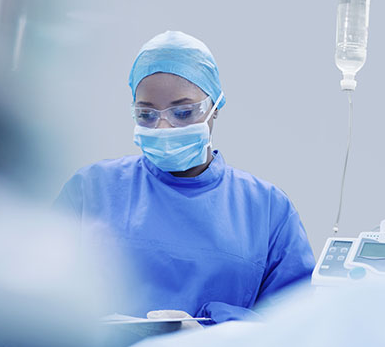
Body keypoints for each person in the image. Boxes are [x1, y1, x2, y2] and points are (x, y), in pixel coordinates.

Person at [55, 30, 315, 324]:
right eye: (147, 115)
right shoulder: (92, 190)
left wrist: (212, 332)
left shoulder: (267, 209)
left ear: (215, 108)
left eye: (183, 112)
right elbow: (21, 313)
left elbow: (297, 327)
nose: (164, 128)